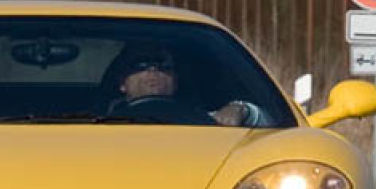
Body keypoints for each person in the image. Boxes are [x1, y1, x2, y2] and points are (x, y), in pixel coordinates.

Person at [108, 44, 266, 127]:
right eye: (140, 65)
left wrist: (242, 110)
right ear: (122, 83)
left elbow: (276, 123)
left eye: (164, 66)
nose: (153, 70)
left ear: (175, 82)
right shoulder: (95, 120)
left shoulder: (203, 120)